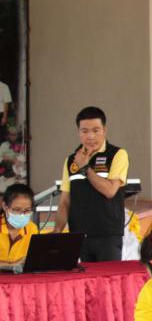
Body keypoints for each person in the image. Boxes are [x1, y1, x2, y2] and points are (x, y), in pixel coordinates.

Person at [54, 106, 130, 262]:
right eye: (84, 131)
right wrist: (57, 230)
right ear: (78, 132)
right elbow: (65, 201)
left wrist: (85, 168)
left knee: (108, 277)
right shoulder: (70, 160)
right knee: (83, 277)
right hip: (78, 235)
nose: (90, 136)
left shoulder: (117, 154)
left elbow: (110, 191)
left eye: (96, 130)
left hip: (107, 234)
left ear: (104, 130)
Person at [0, 183, 37, 264]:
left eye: (27, 210)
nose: (22, 215)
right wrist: (13, 265)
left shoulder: (32, 229)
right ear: (5, 206)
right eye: (17, 210)